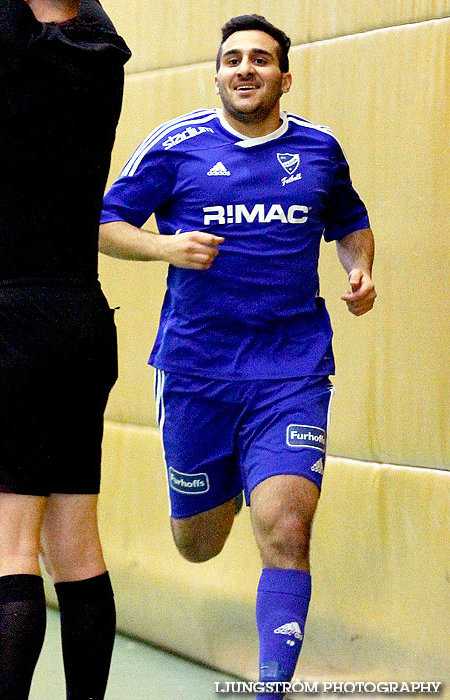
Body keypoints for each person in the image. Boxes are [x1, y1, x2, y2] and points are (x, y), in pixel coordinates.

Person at [99, 14, 376, 699]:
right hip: (196, 371)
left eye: (258, 59)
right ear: (216, 74)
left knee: (285, 527)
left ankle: (269, 690)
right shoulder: (176, 146)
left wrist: (359, 270)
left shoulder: (318, 150)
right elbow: (103, 225)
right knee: (198, 542)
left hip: (291, 370)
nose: (243, 69)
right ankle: (215, 489)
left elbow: (349, 223)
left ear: (283, 76)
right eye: (231, 59)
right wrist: (166, 247)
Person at [0, 1, 130, 698]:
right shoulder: (102, 49)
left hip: (9, 325)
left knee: (4, 547)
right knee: (74, 547)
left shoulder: (17, 49)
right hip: (80, 321)